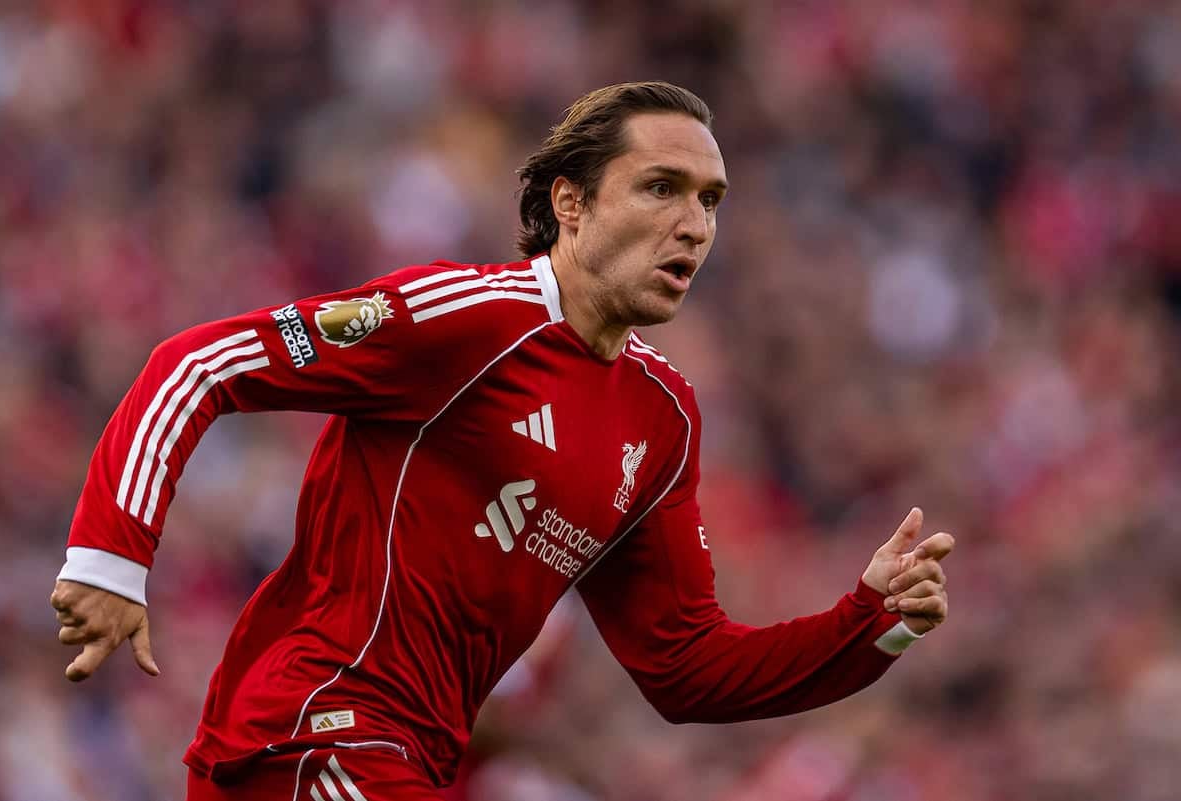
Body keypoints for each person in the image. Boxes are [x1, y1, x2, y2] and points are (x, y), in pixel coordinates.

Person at [51, 82, 952, 800]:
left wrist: (871, 624)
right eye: (661, 188)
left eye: (710, 201)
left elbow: (684, 668)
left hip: (406, 762)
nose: (695, 225)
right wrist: (108, 559)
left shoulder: (663, 418)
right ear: (570, 201)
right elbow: (199, 362)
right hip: (312, 733)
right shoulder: (470, 318)